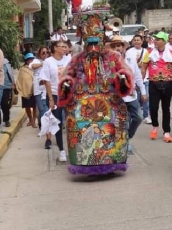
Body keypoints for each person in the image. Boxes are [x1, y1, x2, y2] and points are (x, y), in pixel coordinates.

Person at [57, 11, 134, 174]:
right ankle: (85, 163)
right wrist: (66, 84)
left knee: (110, 132)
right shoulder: (77, 58)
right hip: (83, 105)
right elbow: (67, 75)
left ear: (102, 38)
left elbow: (125, 73)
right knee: (85, 133)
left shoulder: (112, 57)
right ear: (84, 40)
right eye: (89, 42)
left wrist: (122, 79)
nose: (93, 47)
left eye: (96, 42)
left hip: (109, 103)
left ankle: (111, 163)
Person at [108, 35, 147, 153]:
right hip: (116, 96)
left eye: (119, 46)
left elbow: (138, 76)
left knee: (139, 117)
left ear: (123, 47)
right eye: (114, 46)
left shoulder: (130, 59)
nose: (117, 48)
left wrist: (143, 92)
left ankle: (128, 137)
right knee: (121, 121)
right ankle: (124, 143)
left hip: (131, 95)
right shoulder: (109, 62)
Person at [141, 31, 172, 143]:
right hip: (153, 83)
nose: (155, 41)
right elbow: (143, 68)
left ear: (164, 41)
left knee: (166, 109)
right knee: (153, 107)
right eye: (155, 39)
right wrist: (141, 83)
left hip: (168, 84)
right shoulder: (149, 52)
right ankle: (155, 126)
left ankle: (166, 132)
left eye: (158, 39)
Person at [39, 40, 71, 162]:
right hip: (55, 95)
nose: (64, 48)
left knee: (72, 121)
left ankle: (74, 147)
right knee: (57, 123)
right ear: (55, 48)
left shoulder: (68, 59)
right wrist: (51, 99)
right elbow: (46, 81)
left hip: (68, 95)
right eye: (61, 46)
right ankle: (62, 151)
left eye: (65, 46)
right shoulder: (48, 62)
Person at [127, 34, 151, 124]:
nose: (137, 42)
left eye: (138, 40)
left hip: (145, 78)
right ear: (133, 41)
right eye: (135, 40)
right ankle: (135, 115)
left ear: (142, 41)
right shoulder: (129, 51)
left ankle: (146, 116)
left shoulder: (146, 52)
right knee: (135, 98)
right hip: (133, 80)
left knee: (146, 97)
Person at [17, 53, 37, 128]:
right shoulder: (22, 69)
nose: (30, 61)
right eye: (29, 59)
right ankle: (30, 119)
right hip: (25, 90)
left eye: (31, 59)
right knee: (27, 106)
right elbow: (19, 80)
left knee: (34, 106)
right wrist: (21, 90)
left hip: (34, 90)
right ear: (26, 60)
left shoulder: (35, 68)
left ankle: (34, 121)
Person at [32, 46, 48, 132]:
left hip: (46, 88)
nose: (45, 54)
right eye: (43, 53)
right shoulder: (36, 61)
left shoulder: (49, 61)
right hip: (38, 89)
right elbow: (32, 66)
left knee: (45, 107)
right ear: (40, 54)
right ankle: (42, 125)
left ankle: (45, 126)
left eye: (46, 52)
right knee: (41, 108)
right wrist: (42, 63)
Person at [0, 58, 16, 128]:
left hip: (6, 86)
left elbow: (10, 74)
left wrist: (13, 83)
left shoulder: (6, 63)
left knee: (5, 104)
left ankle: (6, 120)